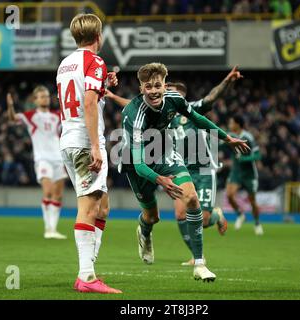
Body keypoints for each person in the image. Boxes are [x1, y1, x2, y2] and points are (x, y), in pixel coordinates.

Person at [119, 62, 250, 282]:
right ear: (141, 88)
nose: (153, 91)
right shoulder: (134, 116)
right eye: (148, 87)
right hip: (136, 161)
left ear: (164, 85)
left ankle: (199, 264)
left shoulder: (174, 99)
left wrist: (226, 138)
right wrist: (161, 180)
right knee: (152, 217)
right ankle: (144, 231)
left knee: (191, 199)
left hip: (164, 152)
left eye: (157, 85)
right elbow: (140, 164)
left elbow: (198, 118)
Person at [56, 13, 121, 294]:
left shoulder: (65, 64)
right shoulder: (95, 61)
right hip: (84, 142)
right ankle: (86, 277)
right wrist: (95, 145)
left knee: (102, 205)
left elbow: (84, 95)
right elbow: (90, 103)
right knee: (88, 207)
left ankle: (89, 267)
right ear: (99, 36)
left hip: (68, 139)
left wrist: (104, 85)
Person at [6, 86, 68, 240]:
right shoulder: (30, 116)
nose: (44, 98)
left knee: (58, 195)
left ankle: (53, 228)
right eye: (41, 96)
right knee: (48, 190)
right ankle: (48, 229)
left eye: (46, 96)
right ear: (35, 100)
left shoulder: (57, 116)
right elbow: (13, 119)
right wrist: (10, 106)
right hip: (42, 159)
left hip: (58, 158)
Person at [226, 115, 263, 235]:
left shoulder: (248, 137)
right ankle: (240, 214)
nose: (230, 125)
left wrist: (244, 158)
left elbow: (258, 155)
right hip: (236, 172)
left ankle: (257, 223)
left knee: (252, 201)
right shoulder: (230, 135)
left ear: (238, 124)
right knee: (229, 195)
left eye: (231, 123)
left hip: (249, 174)